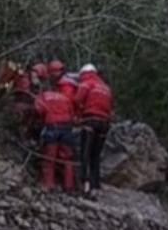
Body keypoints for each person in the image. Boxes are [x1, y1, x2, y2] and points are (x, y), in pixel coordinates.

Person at [74, 63, 114, 194]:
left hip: (90, 121)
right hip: (104, 124)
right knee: (95, 155)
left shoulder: (87, 83)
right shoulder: (105, 87)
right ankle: (96, 184)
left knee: (84, 153)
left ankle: (84, 184)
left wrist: (77, 116)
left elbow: (77, 99)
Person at [34, 76, 78, 191]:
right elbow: (72, 113)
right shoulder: (64, 97)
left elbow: (38, 110)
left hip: (52, 127)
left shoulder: (43, 96)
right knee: (67, 159)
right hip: (67, 128)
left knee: (49, 158)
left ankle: (49, 185)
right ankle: (69, 186)